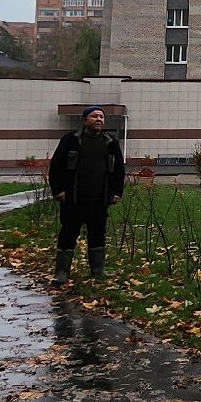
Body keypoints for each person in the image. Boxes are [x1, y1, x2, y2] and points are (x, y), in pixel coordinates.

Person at [47, 106, 125, 283]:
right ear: (85, 120)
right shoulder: (71, 140)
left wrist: (116, 192)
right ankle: (62, 273)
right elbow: (56, 166)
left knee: (98, 235)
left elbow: (119, 170)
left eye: (101, 117)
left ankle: (98, 271)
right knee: (68, 234)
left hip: (99, 199)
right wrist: (58, 190)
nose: (99, 119)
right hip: (73, 199)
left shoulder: (110, 142)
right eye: (94, 116)